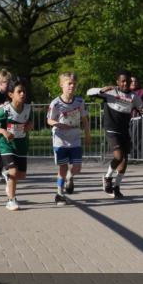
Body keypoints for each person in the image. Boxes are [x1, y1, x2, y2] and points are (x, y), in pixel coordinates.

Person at [88, 72, 143, 198]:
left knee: (124, 159)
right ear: (117, 82)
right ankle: (108, 178)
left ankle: (117, 187)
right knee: (118, 156)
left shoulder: (133, 96)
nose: (125, 84)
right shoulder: (111, 92)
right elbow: (89, 92)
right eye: (122, 81)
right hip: (111, 129)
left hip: (124, 130)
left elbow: (141, 108)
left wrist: (142, 111)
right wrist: (101, 89)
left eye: (127, 81)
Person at [47, 72, 92, 205]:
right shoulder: (55, 103)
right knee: (62, 168)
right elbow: (49, 120)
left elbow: (85, 119)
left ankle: (69, 177)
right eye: (69, 83)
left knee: (77, 168)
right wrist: (57, 124)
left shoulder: (79, 101)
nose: (72, 86)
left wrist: (88, 135)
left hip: (75, 139)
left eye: (74, 83)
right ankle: (59, 194)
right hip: (60, 139)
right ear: (62, 85)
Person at [0, 82, 32, 211]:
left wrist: (30, 126)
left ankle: (8, 177)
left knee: (21, 175)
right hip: (6, 145)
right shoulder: (5, 110)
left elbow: (30, 122)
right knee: (13, 171)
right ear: (11, 94)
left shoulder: (28, 108)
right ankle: (11, 200)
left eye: (24, 91)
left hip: (21, 144)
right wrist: (3, 131)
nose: (23, 94)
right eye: (19, 92)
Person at [128, 76, 143, 160]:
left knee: (137, 138)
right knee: (129, 138)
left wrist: (139, 106)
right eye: (131, 81)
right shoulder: (126, 92)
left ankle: (139, 157)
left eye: (135, 81)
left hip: (138, 118)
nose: (134, 83)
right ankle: (132, 156)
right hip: (127, 118)